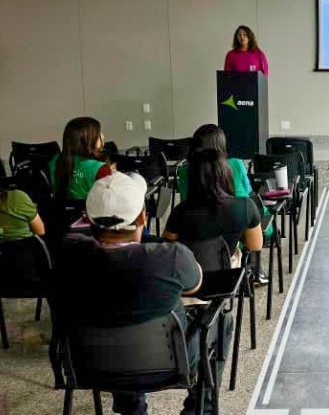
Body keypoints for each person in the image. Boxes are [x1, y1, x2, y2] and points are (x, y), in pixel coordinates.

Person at [54, 171, 227, 415]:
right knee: (222, 322)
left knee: (113, 323)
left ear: (88, 220)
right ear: (143, 216)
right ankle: (200, 409)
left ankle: (131, 409)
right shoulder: (171, 257)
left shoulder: (67, 255)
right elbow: (196, 285)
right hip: (170, 363)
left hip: (91, 362)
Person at [164, 148, 263, 268]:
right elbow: (256, 245)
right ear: (226, 174)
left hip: (190, 279)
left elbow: (167, 247)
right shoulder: (246, 206)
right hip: (228, 278)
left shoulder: (180, 211)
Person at [48, 117, 112, 200]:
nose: (102, 136)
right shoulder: (100, 169)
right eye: (98, 133)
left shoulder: (54, 160)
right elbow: (108, 200)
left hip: (60, 210)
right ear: (88, 140)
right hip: (92, 211)